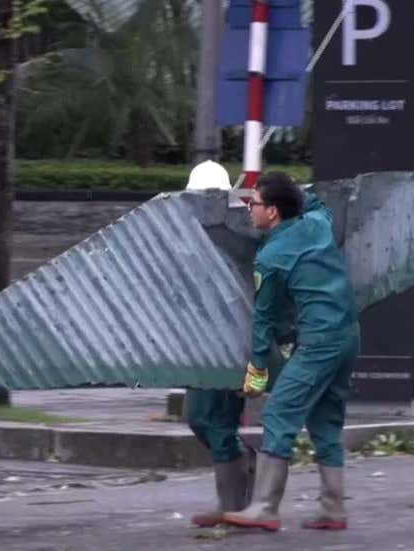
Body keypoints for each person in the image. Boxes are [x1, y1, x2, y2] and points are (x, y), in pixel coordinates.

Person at [222, 172, 359, 532]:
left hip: (320, 339)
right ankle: (333, 509)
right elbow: (314, 203)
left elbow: (263, 319)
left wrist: (257, 367)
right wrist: (295, 189)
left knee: (279, 413)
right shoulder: (317, 223)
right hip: (348, 333)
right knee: (326, 420)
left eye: (254, 203)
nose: (249, 209)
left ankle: (265, 506)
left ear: (273, 212)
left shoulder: (271, 257)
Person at [184, 161, 255, 527]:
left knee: (218, 420)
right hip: (199, 341)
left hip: (230, 342)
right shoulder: (186, 231)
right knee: (197, 417)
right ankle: (241, 474)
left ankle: (233, 506)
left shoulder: (240, 232)